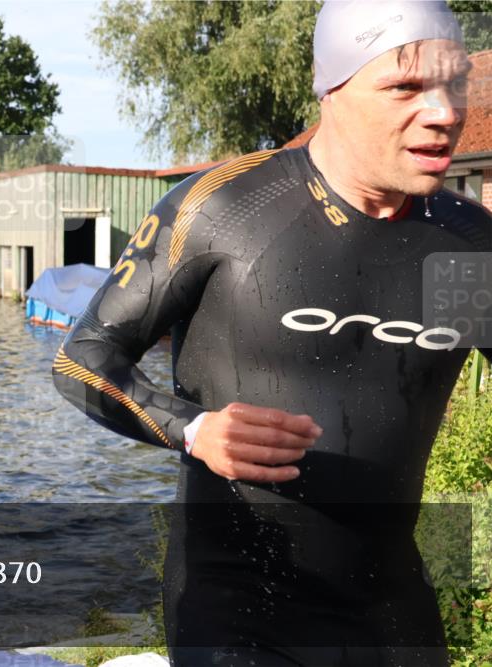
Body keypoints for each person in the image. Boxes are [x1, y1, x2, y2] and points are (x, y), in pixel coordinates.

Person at [52, 2, 491, 664]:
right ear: (332, 91)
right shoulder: (228, 209)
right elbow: (83, 359)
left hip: (389, 609)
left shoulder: (465, 242)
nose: (445, 112)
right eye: (405, 87)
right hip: (238, 606)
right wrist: (195, 429)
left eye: (454, 82)